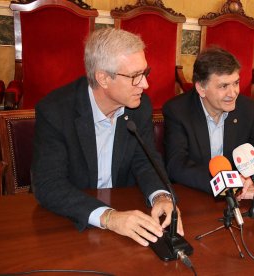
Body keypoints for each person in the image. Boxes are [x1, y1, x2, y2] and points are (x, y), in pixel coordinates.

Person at [31, 28, 184, 247]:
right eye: (134, 76)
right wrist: (109, 217)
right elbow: (49, 185)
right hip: (70, 222)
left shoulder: (139, 107)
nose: (145, 84)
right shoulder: (55, 111)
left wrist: (161, 196)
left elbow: (146, 161)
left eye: (145, 73)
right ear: (102, 78)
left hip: (127, 216)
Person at [163, 47, 254, 200]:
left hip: (241, 200)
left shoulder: (247, 108)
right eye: (223, 86)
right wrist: (230, 186)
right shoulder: (178, 111)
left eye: (236, 83)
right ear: (201, 89)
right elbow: (177, 166)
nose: (233, 93)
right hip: (196, 198)